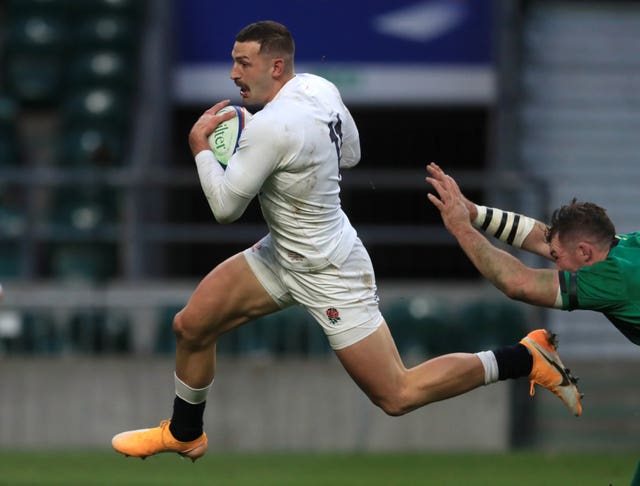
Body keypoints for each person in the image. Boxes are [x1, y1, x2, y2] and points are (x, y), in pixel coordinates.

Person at [111, 21, 582, 462]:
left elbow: (224, 209)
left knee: (397, 395)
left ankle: (526, 356)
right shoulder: (319, 88)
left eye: (244, 63)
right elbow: (351, 153)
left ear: (276, 66)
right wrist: (290, 164)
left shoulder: (274, 127)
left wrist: (201, 149)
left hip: (330, 270)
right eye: (233, 61)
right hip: (282, 254)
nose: (234, 73)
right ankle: (185, 431)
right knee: (191, 325)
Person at [426, 161, 640, 348]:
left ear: (584, 251)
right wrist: (475, 213)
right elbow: (541, 238)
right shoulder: (627, 245)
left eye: (557, 257)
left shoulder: (611, 277)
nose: (557, 267)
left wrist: (461, 228)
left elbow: (518, 283)